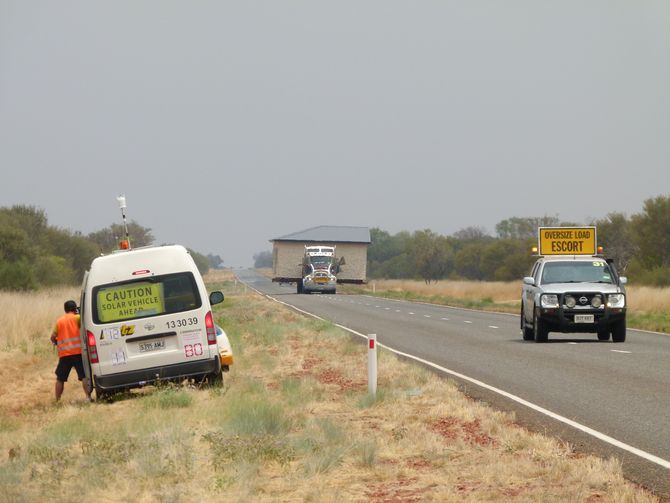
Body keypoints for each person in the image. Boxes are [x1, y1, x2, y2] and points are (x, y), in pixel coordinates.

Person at [50, 300, 91, 402]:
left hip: (64, 355)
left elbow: (52, 337)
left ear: (65, 309)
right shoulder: (78, 318)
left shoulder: (59, 321)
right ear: (75, 308)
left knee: (60, 378)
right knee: (84, 376)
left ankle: (57, 400)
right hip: (78, 353)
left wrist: (56, 342)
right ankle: (88, 397)